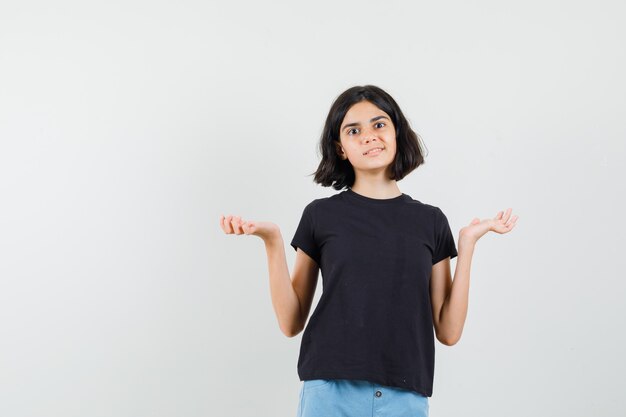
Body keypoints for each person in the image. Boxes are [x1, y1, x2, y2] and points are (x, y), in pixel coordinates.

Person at [219, 85, 518, 417]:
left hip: (404, 396)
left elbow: (448, 332)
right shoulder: (321, 216)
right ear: (341, 148)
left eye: (379, 125)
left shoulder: (430, 222)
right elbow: (290, 323)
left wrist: (467, 245)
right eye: (353, 130)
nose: (368, 137)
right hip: (330, 391)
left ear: (396, 133)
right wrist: (273, 241)